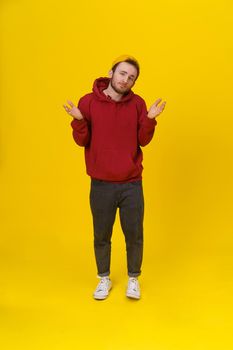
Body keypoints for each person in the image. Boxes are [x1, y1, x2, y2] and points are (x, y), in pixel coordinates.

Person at [63, 55, 166, 300]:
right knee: (101, 234)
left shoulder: (138, 104)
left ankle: (133, 278)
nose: (126, 80)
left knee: (134, 234)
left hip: (131, 183)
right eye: (122, 73)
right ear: (110, 73)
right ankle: (103, 278)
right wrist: (78, 121)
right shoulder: (87, 102)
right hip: (101, 184)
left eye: (131, 77)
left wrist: (150, 119)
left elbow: (143, 140)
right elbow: (82, 141)